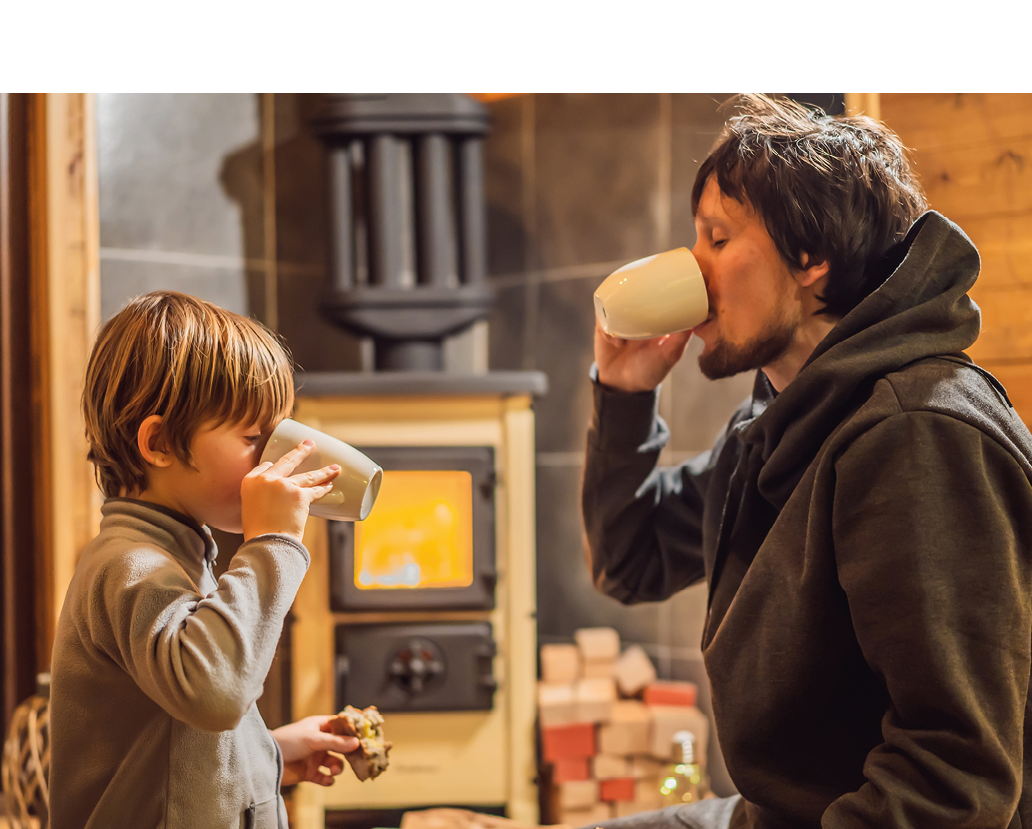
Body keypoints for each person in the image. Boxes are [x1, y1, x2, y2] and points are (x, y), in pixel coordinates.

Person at [582, 94, 1032, 829]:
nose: (693, 270)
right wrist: (624, 394)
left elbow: (954, 776)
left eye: (718, 238)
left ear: (811, 257)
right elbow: (630, 560)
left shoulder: (916, 433)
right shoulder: (778, 422)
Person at [49, 291, 361, 828]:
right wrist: (272, 543)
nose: (273, 457)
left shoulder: (177, 553)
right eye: (256, 437)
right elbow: (215, 692)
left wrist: (272, 755)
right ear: (160, 442)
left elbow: (173, 741)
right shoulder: (130, 567)